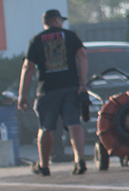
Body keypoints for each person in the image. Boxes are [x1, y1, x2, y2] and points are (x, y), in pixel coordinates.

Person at [17, 9, 88, 177]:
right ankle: (80, 160)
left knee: (45, 128)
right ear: (56, 20)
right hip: (70, 87)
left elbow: (28, 67)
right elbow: (83, 56)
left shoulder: (36, 40)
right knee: (73, 124)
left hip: (47, 90)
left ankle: (44, 165)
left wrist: (22, 94)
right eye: (60, 20)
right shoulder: (70, 36)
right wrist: (82, 83)